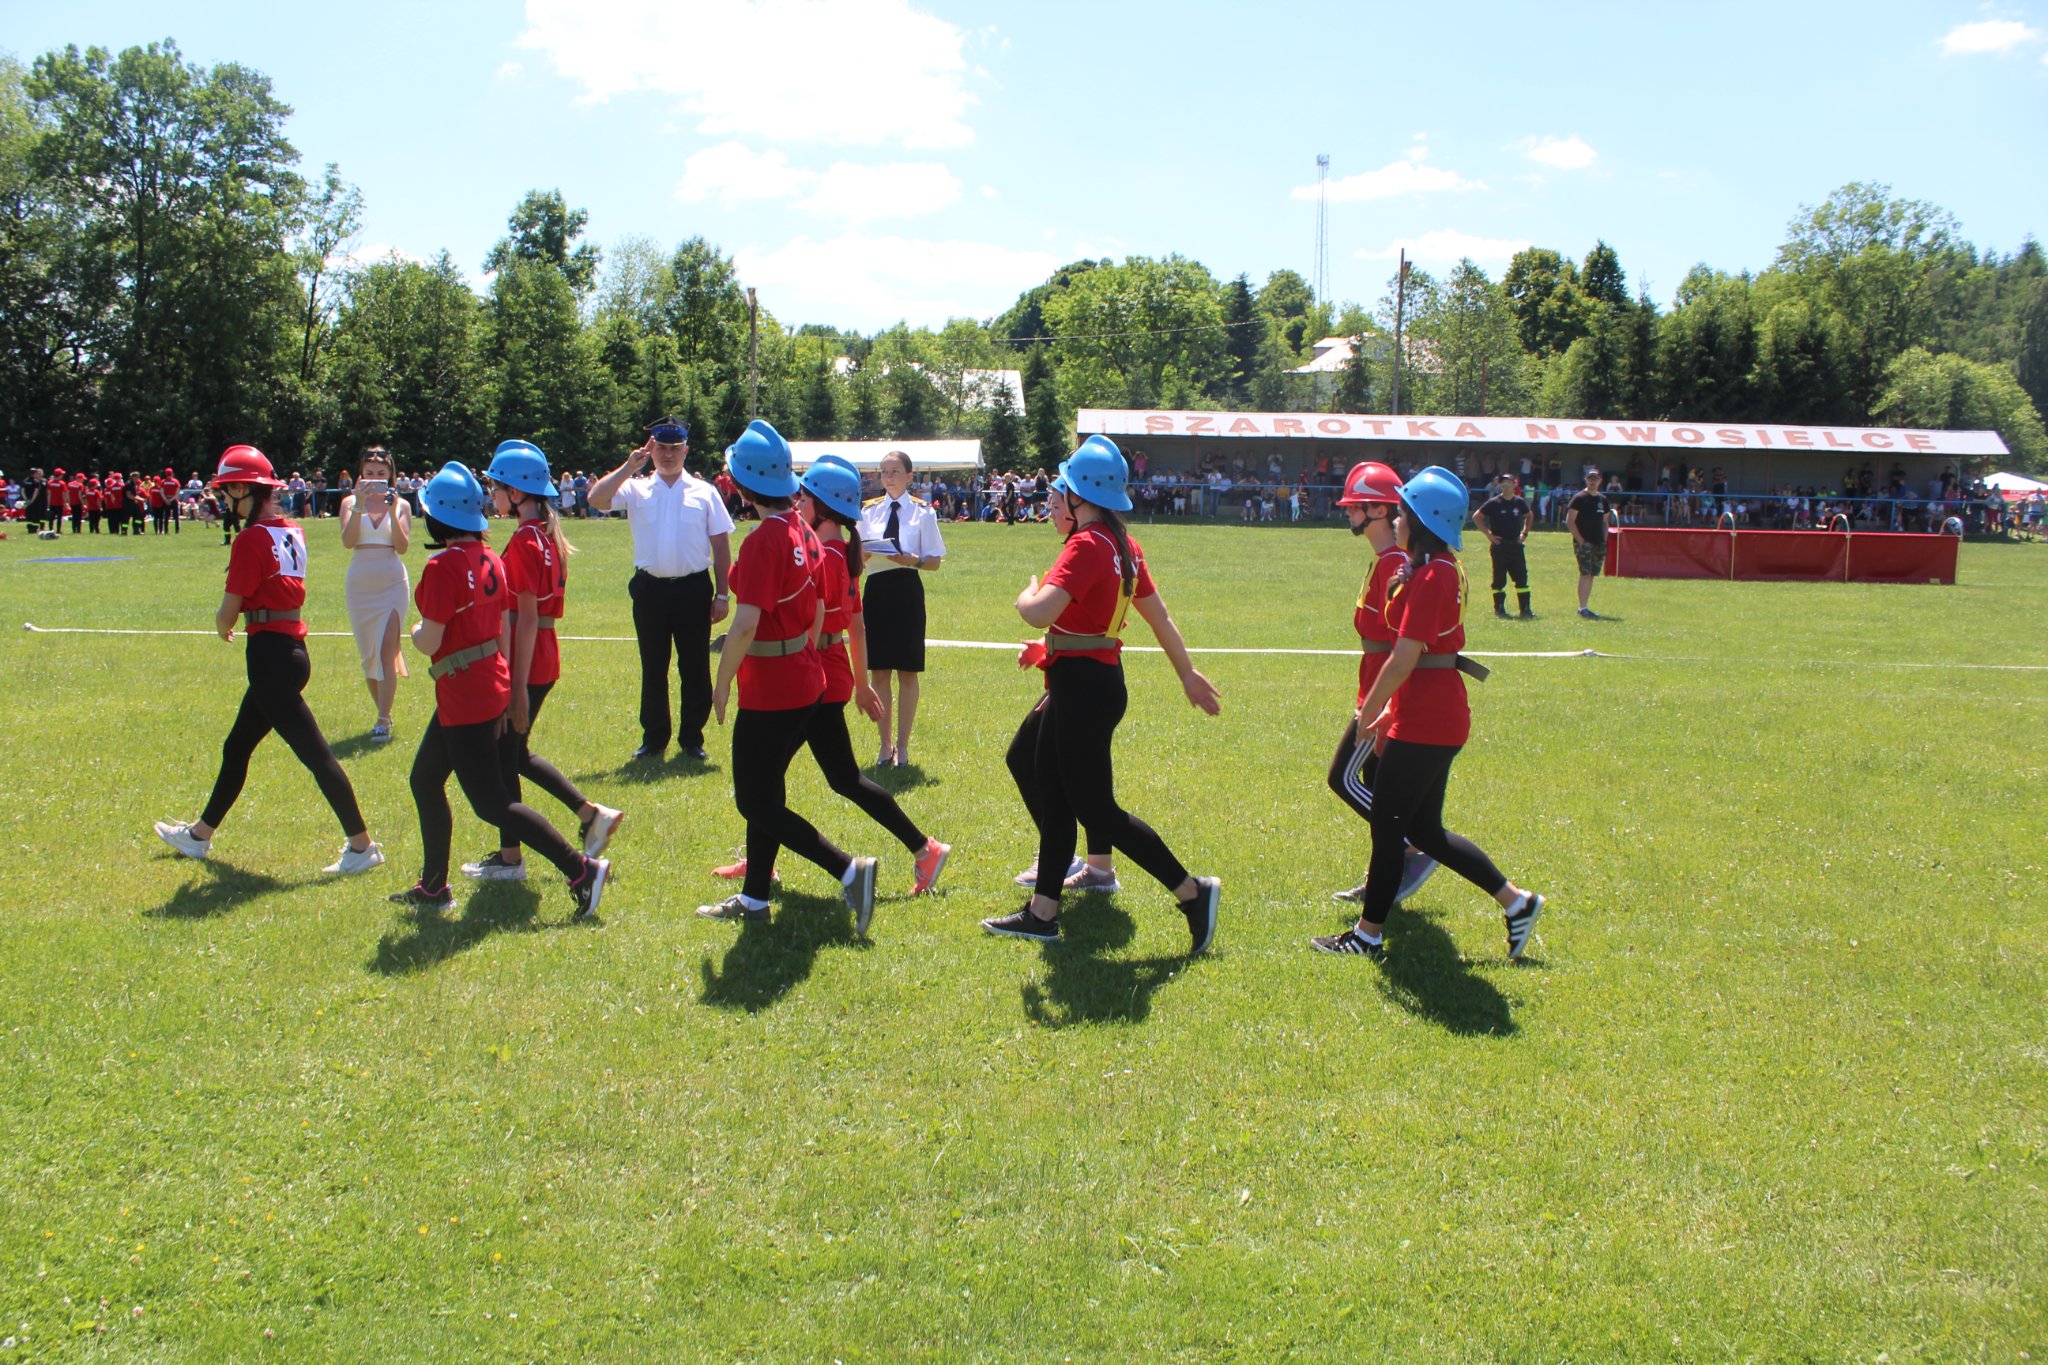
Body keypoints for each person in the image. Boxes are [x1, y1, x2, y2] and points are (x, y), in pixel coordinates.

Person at [981, 435, 1223, 953]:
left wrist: (1026, 593)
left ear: (1079, 495)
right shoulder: (1123, 546)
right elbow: (1158, 618)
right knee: (1049, 783)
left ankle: (1192, 892)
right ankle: (1043, 912)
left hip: (1084, 688)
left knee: (1096, 809)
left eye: (1062, 489)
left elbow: (1039, 611)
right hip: (1091, 681)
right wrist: (1186, 674)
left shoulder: (1087, 545)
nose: (1056, 496)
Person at [1311, 466, 1544, 963]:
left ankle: (1367, 935)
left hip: (1426, 720)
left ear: (1422, 520)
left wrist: (1372, 711)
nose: (1397, 520)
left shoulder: (1436, 573)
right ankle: (1516, 901)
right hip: (1429, 714)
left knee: (1389, 828)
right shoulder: (1433, 567)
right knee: (1423, 831)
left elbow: (1403, 658)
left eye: (1403, 513)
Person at [712, 454, 952, 895]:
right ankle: (922, 849)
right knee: (833, 778)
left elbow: (818, 619)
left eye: (804, 497)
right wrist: (858, 683)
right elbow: (854, 625)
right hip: (830, 672)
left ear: (821, 507)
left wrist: (847, 679)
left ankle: (768, 875)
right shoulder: (843, 551)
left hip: (813, 673)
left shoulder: (822, 552)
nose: (797, 502)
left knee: (770, 784)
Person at [388, 461, 610, 918]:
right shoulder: (489, 556)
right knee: (425, 778)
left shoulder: (442, 566)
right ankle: (434, 886)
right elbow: (503, 628)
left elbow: (430, 640)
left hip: (465, 693)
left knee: (493, 804)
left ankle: (581, 870)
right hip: (488, 683)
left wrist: (410, 631)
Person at [152, 446, 384, 875]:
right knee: (237, 746)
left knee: (317, 756)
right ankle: (200, 835)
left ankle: (362, 846)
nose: (224, 499)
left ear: (245, 489)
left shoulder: (251, 538)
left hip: (271, 657)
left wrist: (222, 624)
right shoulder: (292, 530)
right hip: (288, 650)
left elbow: (230, 609)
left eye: (228, 490)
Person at [695, 421, 879, 932]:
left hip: (772, 687)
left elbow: (744, 624)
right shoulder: (801, 528)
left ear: (742, 484)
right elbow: (817, 608)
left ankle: (849, 870)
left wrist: (721, 683)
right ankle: (755, 898)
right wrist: (802, 652)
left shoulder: (765, 540)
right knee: (767, 793)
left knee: (754, 801)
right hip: (803, 678)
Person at [458, 442, 624, 883]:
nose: (492, 494)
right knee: (514, 754)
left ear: (516, 494)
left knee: (504, 757)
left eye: (496, 487)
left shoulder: (524, 541)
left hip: (527, 656)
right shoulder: (546, 536)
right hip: (543, 652)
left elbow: (526, 617)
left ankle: (512, 857)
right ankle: (589, 814)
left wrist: (515, 689)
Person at [588, 416, 733, 762]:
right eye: (662, 448)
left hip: (693, 588)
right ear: (651, 450)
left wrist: (722, 594)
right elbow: (596, 499)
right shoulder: (636, 488)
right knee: (653, 666)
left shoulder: (705, 492)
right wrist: (629, 466)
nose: (668, 455)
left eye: (674, 448)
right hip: (650, 590)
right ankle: (654, 739)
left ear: (686, 450)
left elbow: (721, 545)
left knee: (694, 666)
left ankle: (692, 738)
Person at [1326, 460, 1437, 908]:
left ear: (1378, 510)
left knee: (1344, 780)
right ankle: (1382, 877)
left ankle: (1412, 845)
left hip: (1382, 698)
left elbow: (1403, 648)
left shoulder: (1395, 564)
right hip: (1373, 691)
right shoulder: (1384, 561)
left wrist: (1384, 707)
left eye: (1355, 506)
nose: (1348, 512)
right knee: (1374, 781)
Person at [858, 450, 946, 767]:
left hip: (907, 591)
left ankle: (903, 746)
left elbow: (935, 561)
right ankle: (885, 746)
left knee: (908, 671)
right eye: (884, 471)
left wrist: (914, 560)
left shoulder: (923, 512)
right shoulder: (868, 511)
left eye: (895, 471)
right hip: (877, 591)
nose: (888, 477)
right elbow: (857, 557)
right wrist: (863, 554)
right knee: (879, 670)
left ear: (909, 476)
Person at [339, 447, 413, 742]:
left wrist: (393, 512)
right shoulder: (349, 503)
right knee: (369, 655)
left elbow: (402, 546)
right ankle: (384, 711)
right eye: (369, 473)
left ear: (390, 475)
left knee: (386, 652)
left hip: (392, 582)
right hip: (360, 584)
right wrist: (359, 504)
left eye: (381, 474)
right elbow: (348, 541)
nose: (374, 478)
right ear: (360, 474)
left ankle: (382, 720)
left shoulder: (402, 505)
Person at [1474, 474, 1533, 618]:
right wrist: (1489, 534)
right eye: (1502, 483)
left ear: (1515, 484)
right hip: (1500, 546)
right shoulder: (1494, 503)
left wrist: (1524, 533)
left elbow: (1529, 515)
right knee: (1499, 579)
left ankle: (1525, 609)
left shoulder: (1519, 502)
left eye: (1508, 482)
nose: (1505, 485)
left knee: (1521, 577)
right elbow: (1477, 516)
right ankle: (1499, 608)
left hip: (1515, 545)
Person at [1568, 467, 1611, 619]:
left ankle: (1585, 606)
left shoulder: (1602, 500)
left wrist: (1604, 540)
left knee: (1592, 574)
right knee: (1585, 574)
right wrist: (1581, 541)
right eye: (1590, 479)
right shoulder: (1579, 498)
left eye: (1595, 479)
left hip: (1598, 542)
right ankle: (1582, 608)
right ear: (1586, 480)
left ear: (1600, 481)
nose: (1592, 482)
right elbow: (1570, 521)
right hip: (1584, 542)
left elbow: (1605, 522)